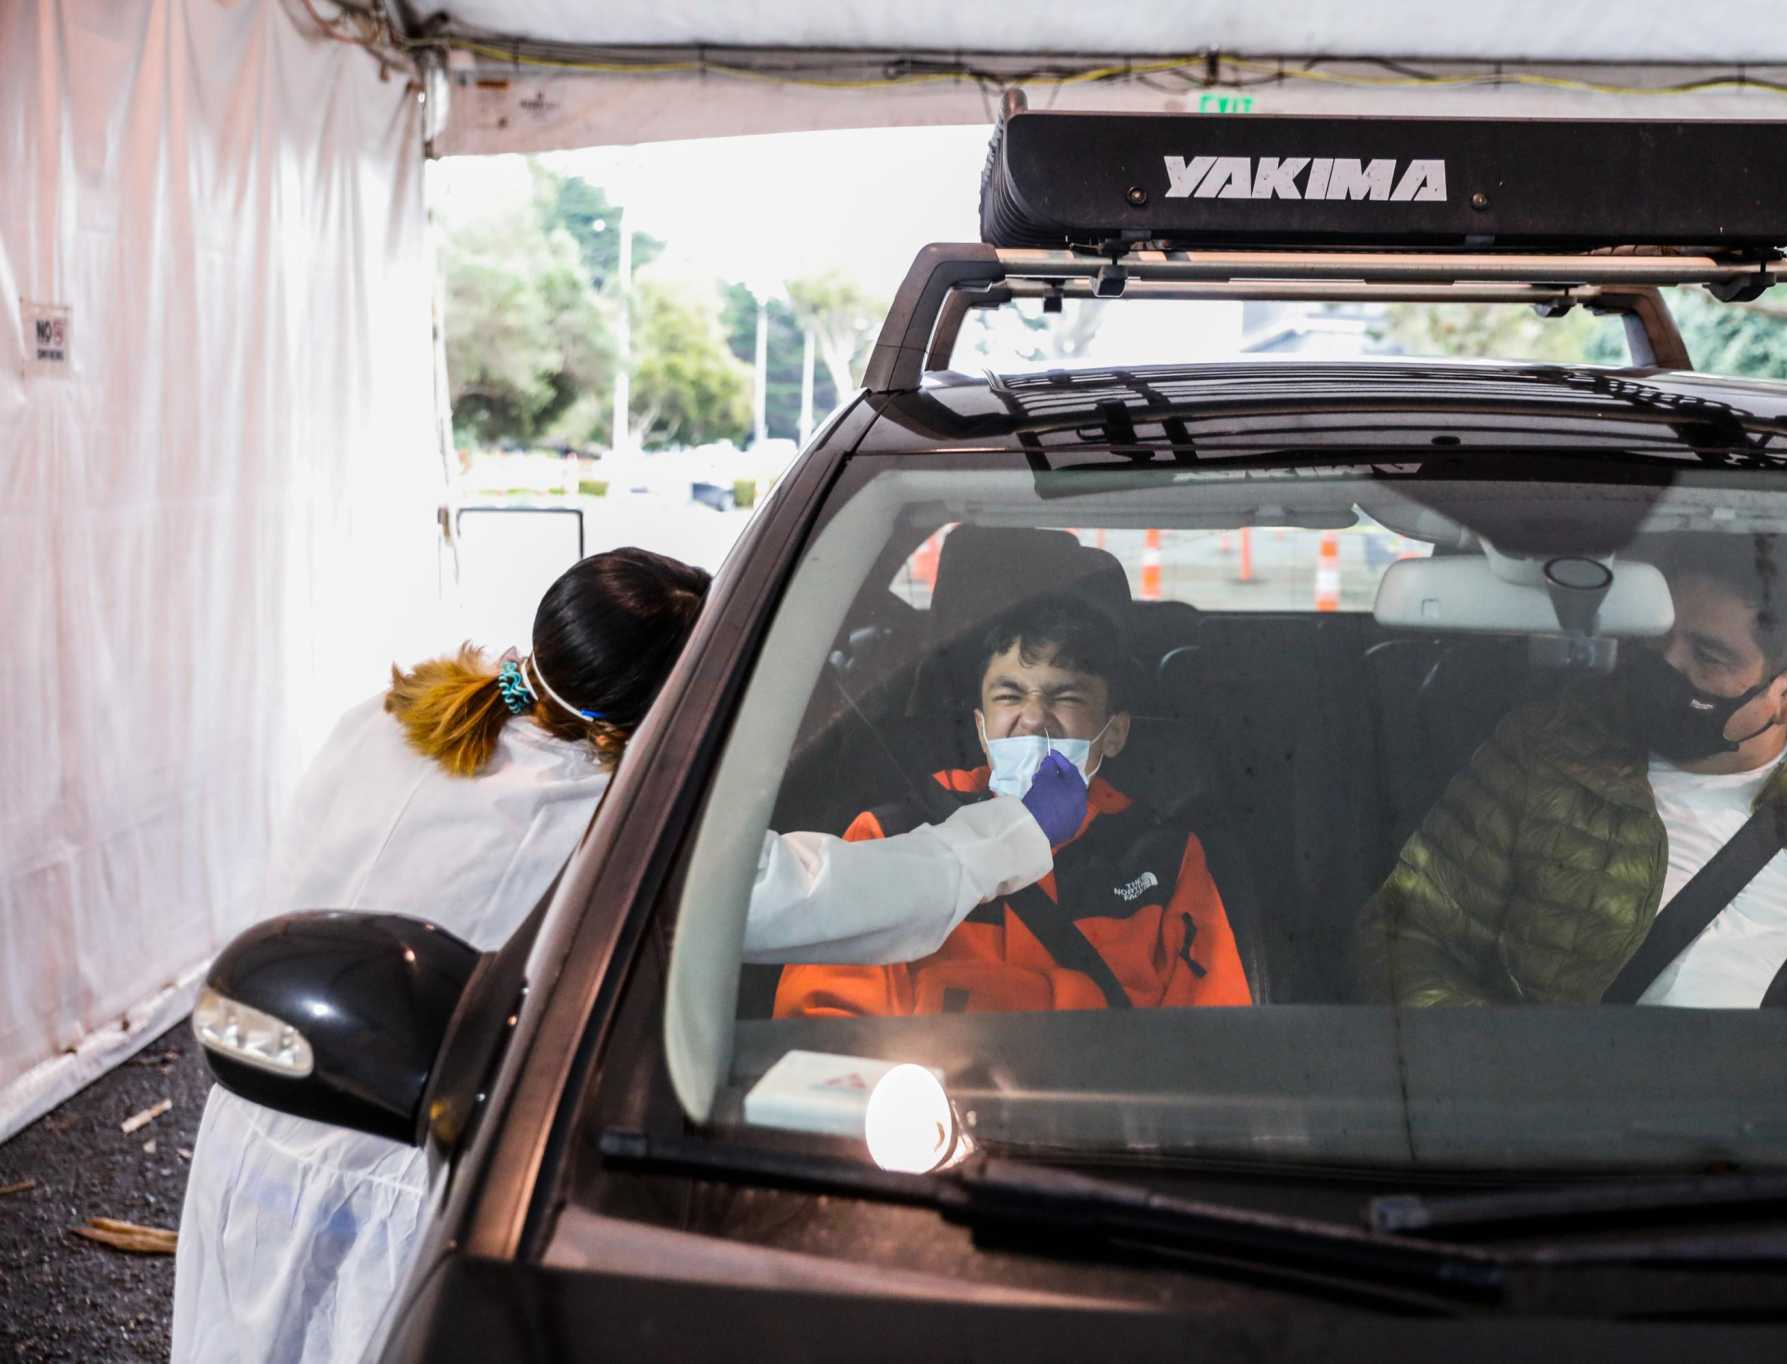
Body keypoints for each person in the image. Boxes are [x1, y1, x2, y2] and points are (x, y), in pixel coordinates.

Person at [172, 547, 1085, 1364]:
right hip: (397, 1188)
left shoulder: (386, 720)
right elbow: (832, 892)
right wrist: (1014, 831)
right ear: (673, 707)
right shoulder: (606, 826)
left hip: (261, 1127)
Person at [1371, 533, 1787, 1009]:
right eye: (1656, 638)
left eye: (1706, 655)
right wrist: (1525, 1080)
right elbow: (1405, 936)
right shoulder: (1545, 757)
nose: (1665, 667)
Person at [777, 594, 1254, 1016]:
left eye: (1065, 696)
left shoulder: (1163, 858)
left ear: (1114, 733)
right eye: (1009, 696)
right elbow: (823, 1026)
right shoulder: (889, 835)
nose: (1032, 719)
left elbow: (1212, 1037)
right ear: (982, 730)